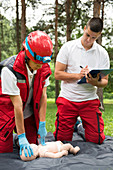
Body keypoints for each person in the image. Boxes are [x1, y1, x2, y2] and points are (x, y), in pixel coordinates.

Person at [53, 17, 110, 144]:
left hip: (89, 100)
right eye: (87, 35)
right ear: (84, 28)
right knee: (61, 141)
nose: (89, 40)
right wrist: (78, 76)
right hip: (68, 99)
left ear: (99, 35)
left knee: (97, 140)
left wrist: (95, 82)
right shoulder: (68, 47)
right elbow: (57, 74)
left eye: (93, 38)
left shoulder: (102, 53)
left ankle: (80, 127)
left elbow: (105, 81)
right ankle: (74, 124)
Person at [0, 30, 53, 158]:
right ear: (28, 55)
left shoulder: (43, 67)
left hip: (28, 112)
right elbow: (17, 105)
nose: (40, 67)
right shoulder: (10, 70)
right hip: (7, 112)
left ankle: (18, 140)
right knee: (3, 152)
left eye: (42, 64)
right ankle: (18, 137)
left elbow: (43, 97)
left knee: (33, 146)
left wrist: (42, 123)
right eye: (37, 63)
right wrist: (22, 135)